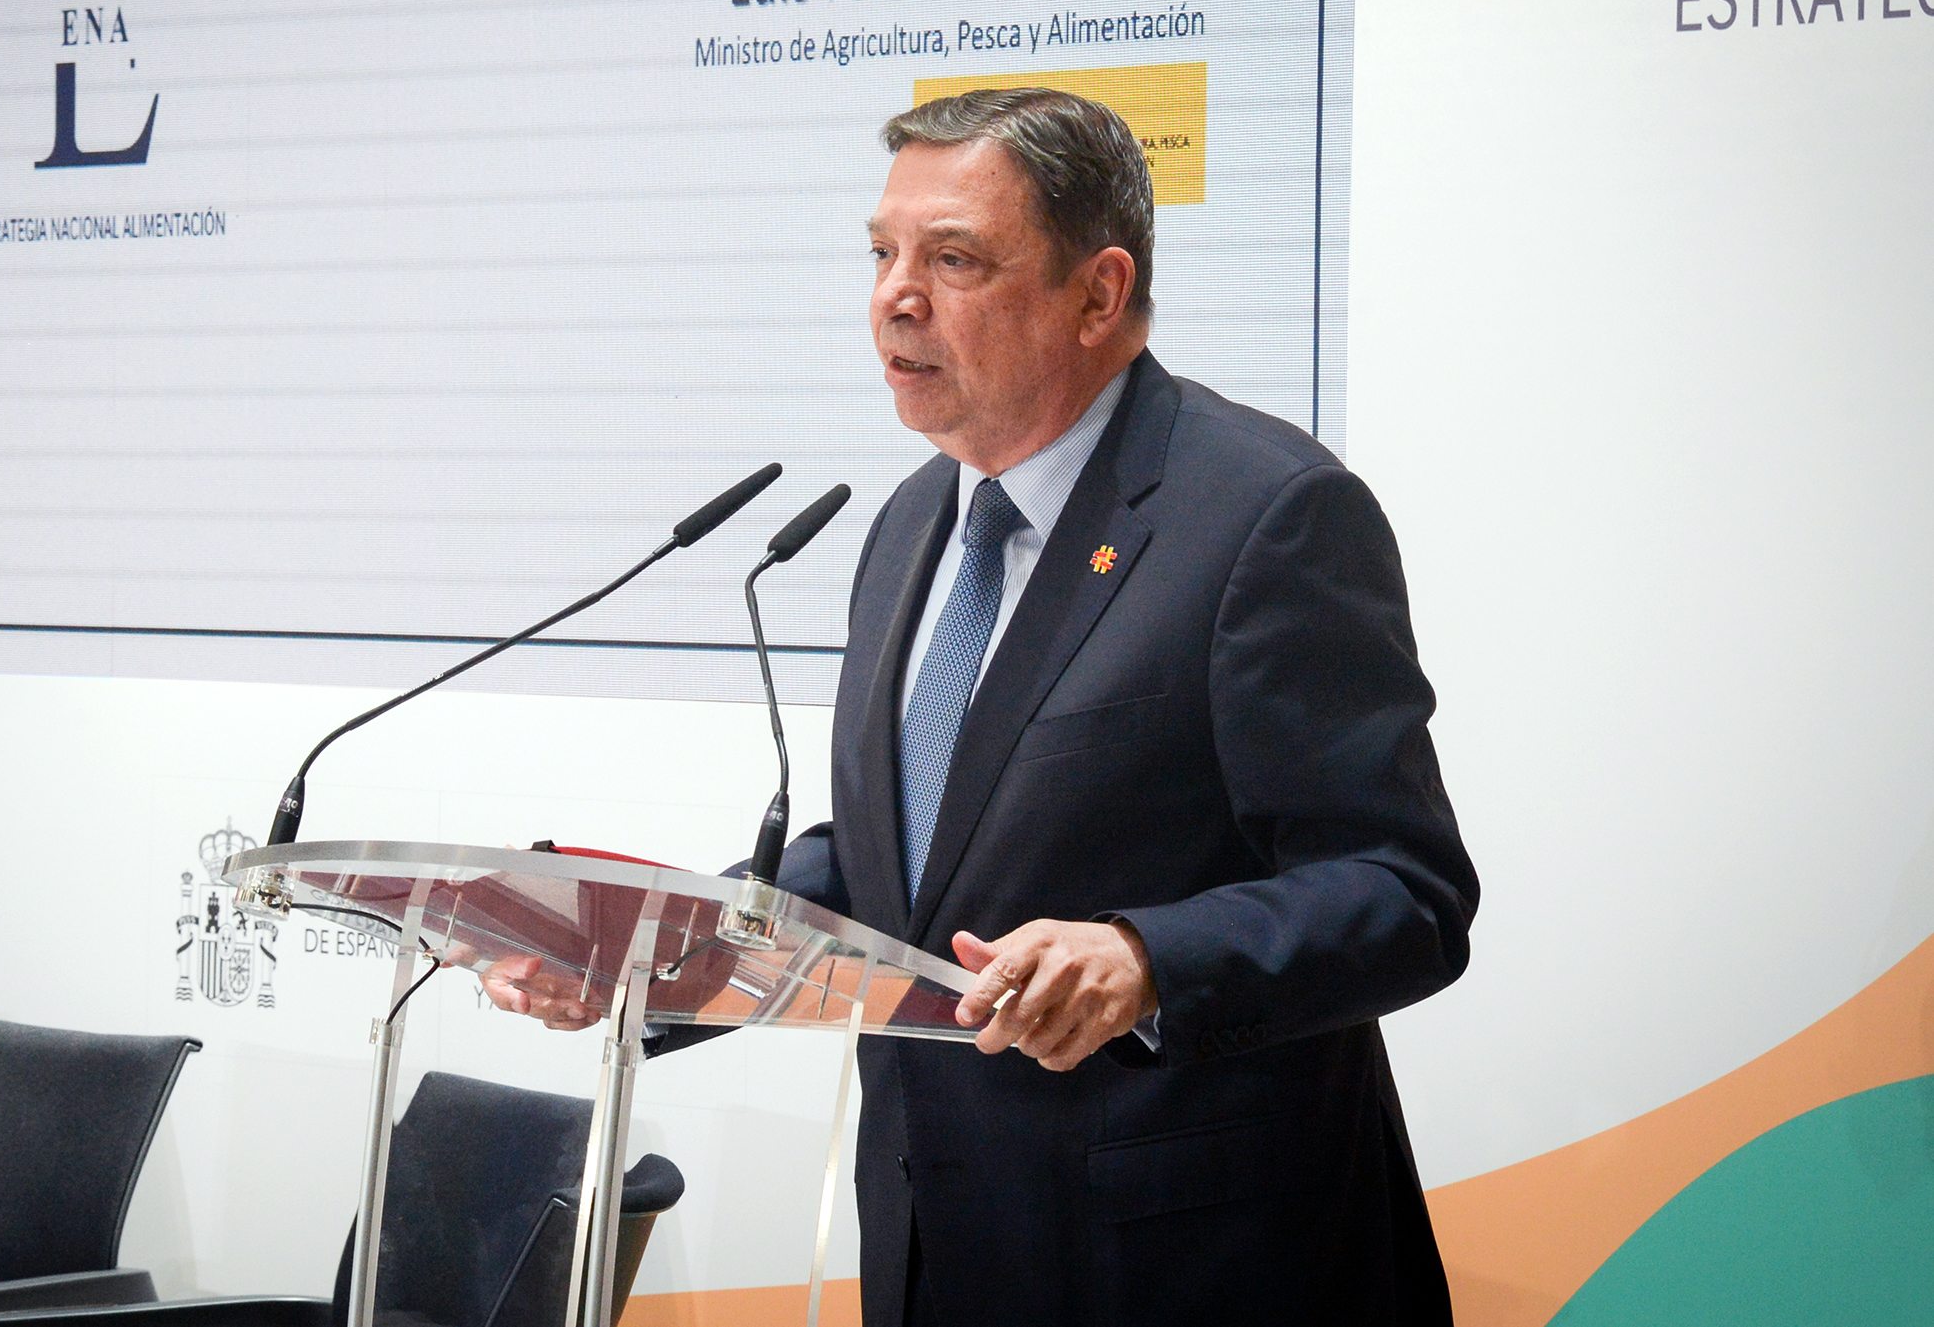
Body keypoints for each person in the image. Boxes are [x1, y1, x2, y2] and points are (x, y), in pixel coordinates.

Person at [490, 88, 1478, 1325]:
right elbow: (891, 875)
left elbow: (1403, 892)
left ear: (1097, 293)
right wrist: (642, 965)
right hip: (939, 1247)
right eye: (883, 252)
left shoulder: (1265, 516)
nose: (894, 296)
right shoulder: (911, 524)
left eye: (952, 259)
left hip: (1196, 1264)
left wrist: (1143, 958)